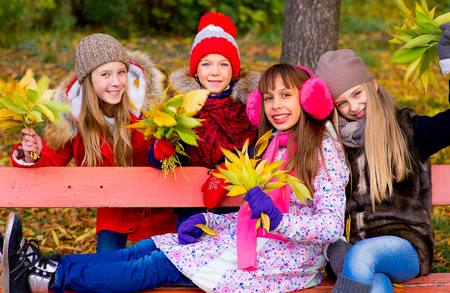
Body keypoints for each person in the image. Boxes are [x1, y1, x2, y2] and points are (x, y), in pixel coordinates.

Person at [3, 63, 349, 293]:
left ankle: (49, 279)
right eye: (269, 98)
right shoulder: (274, 144)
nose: (275, 106)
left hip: (287, 262)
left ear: (309, 100)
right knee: (149, 246)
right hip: (257, 247)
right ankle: (42, 266)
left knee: (156, 265)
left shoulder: (323, 149)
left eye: (286, 96)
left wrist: (278, 218)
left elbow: (331, 226)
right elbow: (253, 219)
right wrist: (210, 220)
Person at [10, 33, 178, 253]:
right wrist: (34, 153)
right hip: (114, 210)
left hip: (160, 206)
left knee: (153, 266)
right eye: (105, 74)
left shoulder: (152, 109)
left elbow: (174, 156)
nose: (116, 82)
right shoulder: (71, 118)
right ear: (88, 80)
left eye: (121, 72)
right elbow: (50, 162)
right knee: (107, 265)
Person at [314, 23, 450, 293]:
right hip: (350, 253)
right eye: (342, 103)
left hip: (406, 245)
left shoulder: (408, 130)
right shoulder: (331, 145)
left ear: (372, 86)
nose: (353, 107)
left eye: (357, 93)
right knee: (375, 285)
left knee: (364, 255)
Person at [148, 12, 259, 217]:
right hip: (190, 204)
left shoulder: (246, 107)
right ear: (196, 71)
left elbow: (257, 148)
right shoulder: (181, 106)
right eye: (206, 64)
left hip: (235, 206)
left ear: (233, 71)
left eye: (223, 64)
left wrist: (226, 171)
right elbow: (166, 162)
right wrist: (161, 152)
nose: (215, 72)